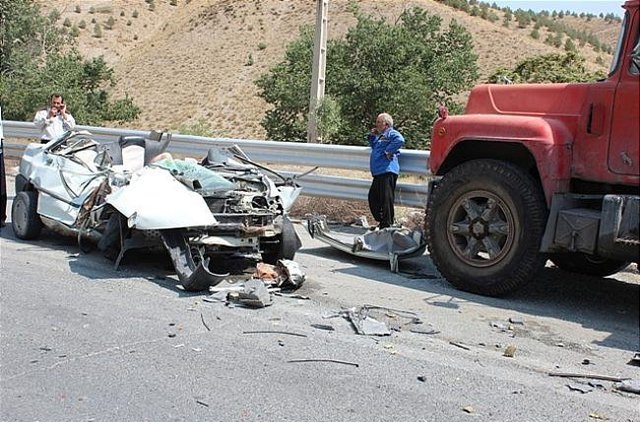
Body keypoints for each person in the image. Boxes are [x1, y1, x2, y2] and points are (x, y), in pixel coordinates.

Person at [366, 113, 405, 230]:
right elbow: (374, 146)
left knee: (386, 199)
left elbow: (400, 140)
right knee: (373, 197)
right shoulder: (381, 136)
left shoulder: (390, 133)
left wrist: (389, 150)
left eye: (379, 122)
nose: (377, 124)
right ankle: (383, 221)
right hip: (379, 172)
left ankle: (386, 224)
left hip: (387, 170)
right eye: (377, 122)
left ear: (386, 124)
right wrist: (372, 136)